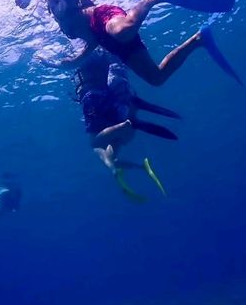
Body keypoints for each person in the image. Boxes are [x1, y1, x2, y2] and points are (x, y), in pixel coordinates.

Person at [15, 0, 242, 87]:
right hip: (110, 42)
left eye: (53, 0)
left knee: (124, 30)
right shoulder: (64, 25)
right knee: (156, 78)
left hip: (105, 19)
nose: (53, 6)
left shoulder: (70, 3)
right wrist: (72, 60)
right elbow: (93, 43)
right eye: (49, 5)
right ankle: (199, 39)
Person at [74, 48, 178, 200]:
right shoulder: (105, 54)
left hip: (92, 97)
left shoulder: (84, 52)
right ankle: (139, 166)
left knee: (95, 144)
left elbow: (75, 65)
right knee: (113, 148)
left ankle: (120, 139)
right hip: (111, 98)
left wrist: (52, 64)